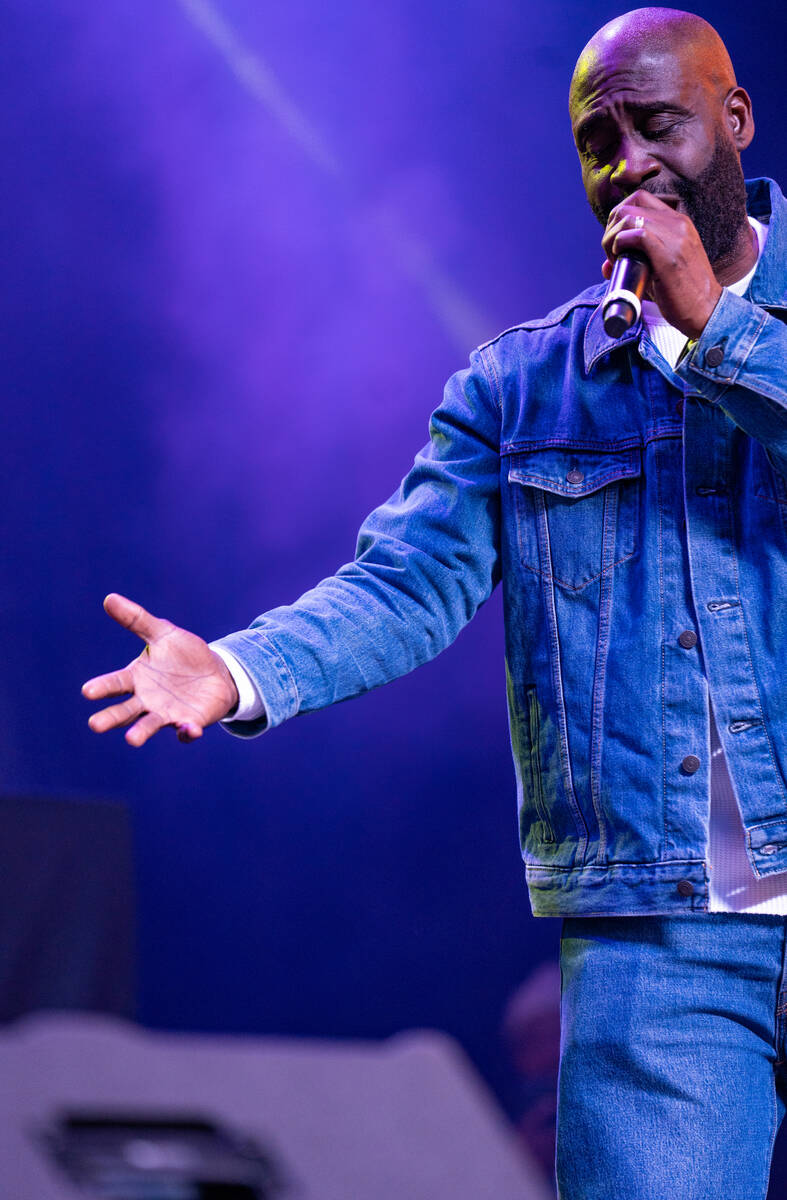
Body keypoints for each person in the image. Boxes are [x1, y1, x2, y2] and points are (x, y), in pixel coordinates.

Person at [83, 8, 787, 1196]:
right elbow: (404, 583)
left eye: (655, 124)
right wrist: (239, 670)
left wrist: (717, 332)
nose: (628, 161)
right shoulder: (519, 387)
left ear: (732, 121)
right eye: (596, 138)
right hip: (663, 934)